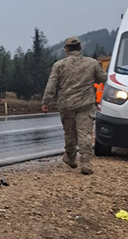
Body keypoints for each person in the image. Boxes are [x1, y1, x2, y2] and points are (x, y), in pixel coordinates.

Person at [42, 37, 107, 175]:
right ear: (80, 48)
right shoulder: (92, 63)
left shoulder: (59, 65)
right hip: (86, 103)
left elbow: (51, 85)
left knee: (70, 133)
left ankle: (71, 158)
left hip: (66, 104)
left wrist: (45, 102)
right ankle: (86, 163)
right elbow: (104, 78)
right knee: (85, 133)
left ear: (66, 50)